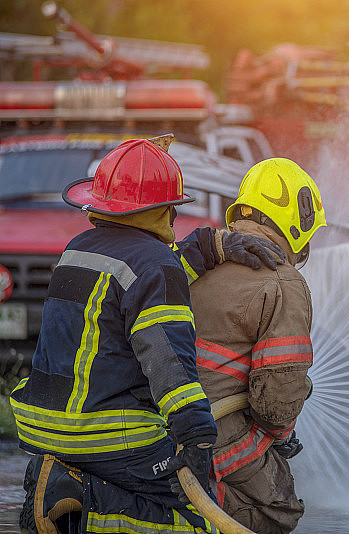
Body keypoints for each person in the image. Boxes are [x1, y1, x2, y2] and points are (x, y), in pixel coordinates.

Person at [12, 136, 285, 534]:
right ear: (158, 210)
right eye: (171, 206)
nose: (175, 215)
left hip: (45, 425)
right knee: (190, 513)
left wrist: (208, 247)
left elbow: (134, 288)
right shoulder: (155, 264)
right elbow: (167, 359)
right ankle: (78, 497)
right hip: (102, 432)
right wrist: (195, 434)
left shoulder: (78, 249)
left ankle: (66, 489)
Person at [189, 157, 326, 533]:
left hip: (158, 421)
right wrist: (282, 436)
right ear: (298, 220)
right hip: (214, 433)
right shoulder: (283, 283)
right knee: (276, 510)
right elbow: (275, 404)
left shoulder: (203, 256)